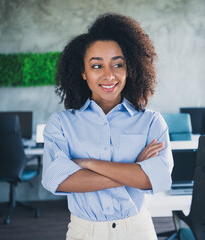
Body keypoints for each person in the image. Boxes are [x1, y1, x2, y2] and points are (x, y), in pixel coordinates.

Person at [41, 13, 173, 240]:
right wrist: (134, 168)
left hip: (137, 231)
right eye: (96, 66)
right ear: (83, 72)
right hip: (84, 232)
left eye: (117, 64)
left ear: (129, 68)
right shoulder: (62, 123)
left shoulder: (151, 121)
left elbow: (156, 179)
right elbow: (59, 181)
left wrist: (89, 164)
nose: (108, 75)